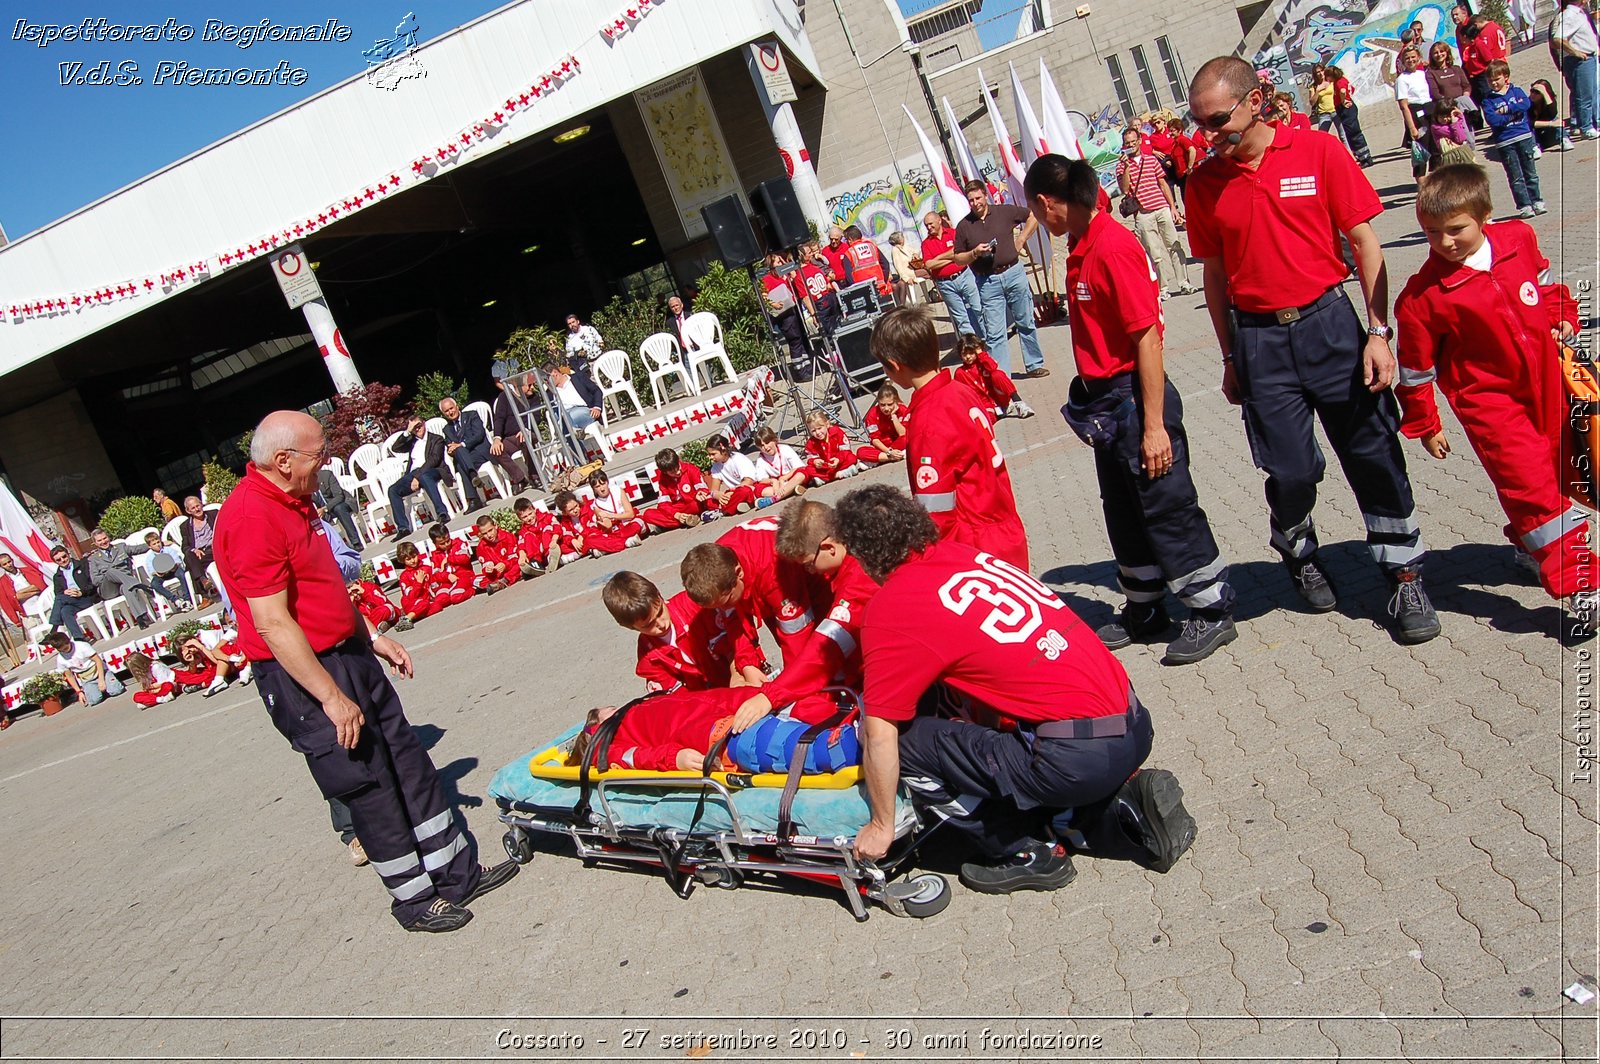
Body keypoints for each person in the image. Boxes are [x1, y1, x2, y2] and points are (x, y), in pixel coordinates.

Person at [214, 410, 518, 932]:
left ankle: (455, 873)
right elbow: (271, 622)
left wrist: (372, 638)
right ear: (283, 461)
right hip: (306, 675)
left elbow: (322, 584)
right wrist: (330, 697)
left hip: (348, 654)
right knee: (370, 786)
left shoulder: (294, 499)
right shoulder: (250, 518)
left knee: (407, 762)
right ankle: (414, 899)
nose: (324, 463)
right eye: (317, 456)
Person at [1183, 55, 1438, 645]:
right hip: (1258, 341)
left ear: (1255, 100)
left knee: (1372, 452)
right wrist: (1227, 357)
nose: (1208, 134)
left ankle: (1403, 572)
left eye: (1218, 119)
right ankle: (1295, 545)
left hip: (1331, 326)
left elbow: (1366, 243)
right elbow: (1215, 276)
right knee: (1292, 469)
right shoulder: (1202, 183)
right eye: (1199, 123)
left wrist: (1379, 332)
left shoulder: (1319, 151)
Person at [836, 484, 1197, 893]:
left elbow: (880, 731)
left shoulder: (894, 605)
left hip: (1076, 757)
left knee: (905, 742)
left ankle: (1022, 851)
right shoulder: (966, 556)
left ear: (863, 555)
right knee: (997, 729)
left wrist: (882, 826)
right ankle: (1118, 808)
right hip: (1132, 722)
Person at [1026, 153, 1239, 665]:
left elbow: (1147, 339)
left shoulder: (1112, 247)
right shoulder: (1082, 243)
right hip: (1106, 402)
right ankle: (1145, 606)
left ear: (1046, 203)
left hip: (1133, 396)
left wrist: (1153, 424)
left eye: (1034, 211)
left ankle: (1211, 609)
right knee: (1123, 508)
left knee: (1165, 504)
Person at [1394, 164, 1594, 629]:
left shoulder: (1517, 240)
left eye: (1455, 229)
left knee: (1551, 475)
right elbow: (1416, 370)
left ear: (1485, 215)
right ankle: (1583, 584)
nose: (1445, 242)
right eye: (1431, 232)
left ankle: (1529, 548)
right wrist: (1426, 423)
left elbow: (1543, 288)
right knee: (1535, 492)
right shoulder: (1422, 297)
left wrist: (1561, 316)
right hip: (1492, 408)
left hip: (1547, 388)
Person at [868, 306, 1030, 571]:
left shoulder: (927, 421)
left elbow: (935, 512)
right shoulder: (960, 390)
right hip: (1003, 524)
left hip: (973, 546)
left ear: (895, 366)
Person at [731, 500, 882, 730]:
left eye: (809, 565)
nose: (809, 572)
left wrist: (769, 697)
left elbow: (825, 647)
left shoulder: (856, 584)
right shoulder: (865, 543)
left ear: (829, 547)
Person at [566, 687, 846, 773]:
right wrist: (674, 758)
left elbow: (709, 698)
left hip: (728, 713)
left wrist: (766, 696)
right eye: (606, 710)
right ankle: (856, 746)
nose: (613, 707)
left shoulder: (645, 705)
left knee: (818, 709)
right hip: (714, 735)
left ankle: (862, 726)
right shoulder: (604, 742)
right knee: (798, 746)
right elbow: (635, 757)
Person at [681, 518, 832, 667]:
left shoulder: (771, 568)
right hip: (775, 590)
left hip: (820, 582)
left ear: (739, 573)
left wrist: (790, 681)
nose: (725, 609)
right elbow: (734, 621)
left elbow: (797, 632)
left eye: (727, 602)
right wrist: (748, 665)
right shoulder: (719, 568)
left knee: (826, 650)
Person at [602, 570, 759, 692]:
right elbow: (675, 696)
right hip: (708, 704)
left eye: (660, 612)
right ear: (630, 627)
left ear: (659, 596)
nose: (661, 624)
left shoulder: (695, 607)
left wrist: (737, 675)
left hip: (742, 675)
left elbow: (736, 639)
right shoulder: (648, 656)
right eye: (649, 625)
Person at [954, 180, 1047, 378]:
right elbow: (957, 257)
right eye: (971, 200)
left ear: (985, 196)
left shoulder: (1005, 211)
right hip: (988, 282)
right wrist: (974, 254)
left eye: (978, 198)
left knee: (1026, 321)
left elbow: (1033, 215)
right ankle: (1002, 376)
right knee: (995, 333)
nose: (975, 203)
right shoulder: (964, 226)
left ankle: (1034, 364)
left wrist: (1021, 240)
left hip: (1014, 273)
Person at [1116, 129, 1194, 299]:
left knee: (1174, 246)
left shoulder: (1151, 160)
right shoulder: (1121, 166)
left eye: (1133, 141)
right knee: (1154, 253)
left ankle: (1184, 282)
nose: (1130, 145)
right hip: (1143, 214)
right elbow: (1124, 189)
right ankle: (1163, 288)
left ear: (1139, 141)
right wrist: (1127, 168)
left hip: (1161, 208)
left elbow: (1163, 183)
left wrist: (1173, 207)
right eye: (1127, 142)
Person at [1483, 60, 1548, 217]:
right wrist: (1512, 115)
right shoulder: (1487, 101)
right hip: (1505, 142)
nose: (1493, 83)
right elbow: (1493, 120)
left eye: (1496, 79)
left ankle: (1537, 201)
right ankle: (1524, 205)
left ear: (1506, 77)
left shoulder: (1517, 91)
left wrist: (1507, 110)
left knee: (1530, 172)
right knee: (1515, 176)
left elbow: (1525, 105)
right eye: (1490, 80)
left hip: (1523, 136)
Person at [385, 416, 455, 540]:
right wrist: (407, 432)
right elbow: (395, 448)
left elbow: (433, 460)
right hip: (413, 474)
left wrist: (417, 477)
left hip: (433, 471)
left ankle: (442, 513)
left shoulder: (436, 439)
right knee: (392, 490)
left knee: (425, 476)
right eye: (415, 428)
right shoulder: (411, 441)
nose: (418, 429)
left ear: (424, 424)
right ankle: (403, 528)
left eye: (419, 426)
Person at [919, 211, 985, 339]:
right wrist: (954, 258)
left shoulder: (953, 234)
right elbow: (929, 265)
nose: (929, 227)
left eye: (931, 224)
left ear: (939, 221)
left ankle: (988, 339)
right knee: (961, 318)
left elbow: (961, 251)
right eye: (926, 225)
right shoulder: (926, 243)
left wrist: (939, 258)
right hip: (945, 283)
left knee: (978, 308)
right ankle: (972, 345)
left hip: (964, 276)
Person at [953, 333, 1035, 420]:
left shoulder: (983, 362)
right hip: (984, 404)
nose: (968, 357)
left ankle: (1019, 403)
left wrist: (981, 354)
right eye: (964, 354)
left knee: (997, 374)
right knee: (987, 418)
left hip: (998, 397)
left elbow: (993, 367)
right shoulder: (960, 373)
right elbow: (961, 394)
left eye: (971, 353)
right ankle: (1001, 412)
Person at [85, 527, 154, 629]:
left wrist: (154, 544)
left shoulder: (121, 547)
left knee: (128, 588)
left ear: (108, 537)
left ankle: (141, 618)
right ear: (95, 543)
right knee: (110, 571)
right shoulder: (93, 559)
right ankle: (139, 585)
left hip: (124, 584)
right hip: (109, 589)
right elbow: (95, 581)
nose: (103, 542)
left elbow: (137, 549)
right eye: (99, 540)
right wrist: (109, 576)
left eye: (105, 538)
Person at [640, 447, 722, 530]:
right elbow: (663, 504)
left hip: (695, 503)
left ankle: (677, 523)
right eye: (672, 472)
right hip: (679, 509)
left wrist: (700, 493)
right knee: (648, 514)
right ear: (665, 472)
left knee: (707, 500)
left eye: (677, 467)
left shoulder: (690, 469)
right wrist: (676, 515)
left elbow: (702, 488)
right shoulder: (663, 481)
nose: (678, 472)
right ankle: (687, 519)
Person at [437, 397, 494, 512]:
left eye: (451, 408)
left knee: (460, 464)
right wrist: (451, 451)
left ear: (457, 407)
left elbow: (479, 434)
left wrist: (462, 444)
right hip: (466, 458)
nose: (450, 412)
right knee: (459, 456)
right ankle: (473, 475)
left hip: (479, 452)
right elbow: (450, 445)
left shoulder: (471, 416)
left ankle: (473, 500)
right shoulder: (446, 429)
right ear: (443, 414)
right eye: (446, 411)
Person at [1553, 0, 1600, 138]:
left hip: (1590, 57)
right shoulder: (1569, 15)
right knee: (1583, 95)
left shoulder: (1580, 13)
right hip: (1580, 60)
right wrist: (1575, 52)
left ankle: (1592, 123)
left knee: (1591, 93)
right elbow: (1557, 39)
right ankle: (1585, 126)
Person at [1455, 1, 1509, 115]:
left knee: (1489, 96)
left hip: (1486, 72)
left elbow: (1488, 58)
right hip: (1476, 75)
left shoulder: (1481, 39)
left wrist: (1490, 72)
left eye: (1457, 14)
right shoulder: (1461, 33)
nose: (1455, 17)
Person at [47, 630, 125, 706]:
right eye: (61, 651)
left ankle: (109, 685)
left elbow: (98, 660)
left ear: (68, 642)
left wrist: (101, 680)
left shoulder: (82, 646)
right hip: (87, 679)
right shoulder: (60, 659)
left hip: (100, 672)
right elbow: (69, 675)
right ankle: (97, 691)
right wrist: (79, 692)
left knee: (116, 691)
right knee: (94, 700)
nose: (65, 651)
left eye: (66, 648)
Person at [705, 435, 780, 510]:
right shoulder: (715, 466)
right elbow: (714, 489)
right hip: (734, 492)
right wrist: (716, 494)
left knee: (744, 492)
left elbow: (748, 481)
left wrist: (732, 492)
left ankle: (725, 509)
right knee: (709, 501)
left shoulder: (738, 459)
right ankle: (742, 504)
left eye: (713, 454)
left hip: (750, 487)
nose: (711, 457)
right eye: (709, 455)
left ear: (723, 449)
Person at [1396, 46, 1436, 184]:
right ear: (1402, 61)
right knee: (1421, 151)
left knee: (1435, 147)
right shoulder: (1401, 79)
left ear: (1418, 57)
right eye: (1407, 58)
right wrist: (1412, 127)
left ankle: (1438, 182)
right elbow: (1403, 106)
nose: (1411, 60)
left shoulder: (1423, 73)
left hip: (1430, 110)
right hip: (1416, 114)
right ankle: (1422, 186)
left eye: (1413, 57)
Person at [44, 544, 98, 642]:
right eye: (58, 560)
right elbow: (58, 593)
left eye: (64, 557)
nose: (63, 560)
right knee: (65, 611)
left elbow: (93, 583)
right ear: (55, 562)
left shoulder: (82, 565)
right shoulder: (57, 576)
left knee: (60, 599)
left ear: (68, 554)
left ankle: (54, 629)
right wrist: (65, 591)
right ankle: (79, 638)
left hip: (87, 597)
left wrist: (81, 592)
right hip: (72, 601)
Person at [802, 409, 868, 485]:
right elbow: (810, 458)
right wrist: (815, 461)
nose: (817, 433)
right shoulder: (811, 442)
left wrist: (838, 459)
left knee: (851, 458)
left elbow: (846, 450)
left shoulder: (836, 432)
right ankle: (841, 474)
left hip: (839, 462)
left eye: (819, 428)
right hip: (825, 467)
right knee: (808, 469)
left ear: (827, 424)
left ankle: (826, 479)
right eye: (813, 431)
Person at [544, 362, 605, 442]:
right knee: (566, 423)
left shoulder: (577, 378)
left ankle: (573, 433)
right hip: (565, 417)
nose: (546, 382)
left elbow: (596, 390)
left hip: (584, 411)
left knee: (567, 422)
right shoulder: (550, 393)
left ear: (555, 373)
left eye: (546, 379)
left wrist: (597, 407)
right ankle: (575, 434)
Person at [1330, 64, 1375, 165]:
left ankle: (1365, 158)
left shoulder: (1339, 82)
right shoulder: (1343, 79)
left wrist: (1343, 101)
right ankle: (1360, 156)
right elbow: (1352, 89)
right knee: (1351, 134)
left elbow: (1342, 90)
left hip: (1346, 109)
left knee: (1353, 133)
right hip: (1348, 108)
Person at [178, 495, 219, 606]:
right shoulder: (185, 526)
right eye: (193, 508)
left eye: (198, 505)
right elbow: (184, 546)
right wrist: (194, 550)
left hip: (216, 548)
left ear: (202, 504)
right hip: (201, 554)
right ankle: (204, 580)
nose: (197, 509)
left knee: (192, 564)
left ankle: (205, 595)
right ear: (188, 511)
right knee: (189, 555)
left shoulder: (214, 514)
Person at [423, 524, 477, 604]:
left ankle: (474, 589)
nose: (446, 545)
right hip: (447, 581)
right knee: (440, 600)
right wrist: (447, 576)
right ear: (435, 543)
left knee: (456, 597)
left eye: (448, 541)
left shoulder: (458, 544)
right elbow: (436, 574)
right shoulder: (435, 555)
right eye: (442, 543)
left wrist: (449, 559)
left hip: (464, 576)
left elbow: (465, 558)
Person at [751, 426, 810, 499]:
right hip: (777, 485)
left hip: (790, 477)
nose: (766, 447)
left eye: (767, 443)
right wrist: (773, 481)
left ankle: (776, 498)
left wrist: (783, 478)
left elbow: (798, 466)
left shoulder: (785, 449)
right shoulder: (761, 460)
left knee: (802, 474)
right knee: (758, 489)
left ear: (774, 440)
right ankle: (791, 490)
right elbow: (762, 479)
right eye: (762, 446)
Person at [315, 464, 364, 548]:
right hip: (324, 510)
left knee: (339, 508)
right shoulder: (305, 483)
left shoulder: (326, 475)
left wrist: (325, 508)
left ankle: (356, 542)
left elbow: (339, 496)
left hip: (342, 503)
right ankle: (329, 547)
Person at [396, 541, 445, 622]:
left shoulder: (427, 568)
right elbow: (410, 596)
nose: (412, 561)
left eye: (414, 557)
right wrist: (418, 582)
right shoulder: (404, 576)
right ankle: (407, 618)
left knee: (438, 606)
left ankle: (417, 615)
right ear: (403, 561)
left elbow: (435, 585)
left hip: (427, 601)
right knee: (423, 603)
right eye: (408, 559)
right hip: (413, 603)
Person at [512, 496, 560, 576]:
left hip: (552, 545)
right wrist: (522, 555)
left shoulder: (546, 517)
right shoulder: (524, 530)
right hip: (539, 555)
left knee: (546, 529)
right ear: (520, 519)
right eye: (525, 517)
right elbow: (521, 544)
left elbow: (557, 527)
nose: (529, 518)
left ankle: (552, 557)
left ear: (534, 509)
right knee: (528, 536)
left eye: (530, 514)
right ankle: (536, 564)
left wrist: (554, 540)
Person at [472, 515, 521, 591]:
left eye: (490, 530)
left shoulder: (507, 537)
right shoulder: (481, 547)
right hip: (496, 574)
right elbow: (485, 564)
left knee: (519, 564)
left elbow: (515, 558)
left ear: (496, 526)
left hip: (511, 567)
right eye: (484, 533)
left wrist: (505, 564)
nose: (489, 535)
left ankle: (504, 581)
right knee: (474, 579)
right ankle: (498, 583)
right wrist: (488, 569)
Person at [863, 383, 910, 463]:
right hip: (882, 447)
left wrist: (893, 416)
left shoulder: (902, 410)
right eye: (882, 405)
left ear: (896, 401)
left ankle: (879, 459)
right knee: (861, 452)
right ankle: (893, 457)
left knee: (908, 438)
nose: (886, 408)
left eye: (890, 404)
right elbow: (875, 439)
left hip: (898, 443)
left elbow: (903, 433)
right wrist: (889, 452)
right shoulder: (872, 414)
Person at [1529, 78, 1576, 150]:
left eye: (1537, 92)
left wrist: (1544, 93)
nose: (1533, 94)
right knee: (1528, 128)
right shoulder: (1527, 104)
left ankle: (1564, 140)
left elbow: (1553, 114)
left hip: (1549, 135)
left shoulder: (1549, 101)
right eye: (1532, 91)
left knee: (1555, 118)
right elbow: (1529, 123)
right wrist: (1551, 123)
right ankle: (1534, 148)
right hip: (1535, 137)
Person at [1429, 99, 1476, 167]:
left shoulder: (1457, 122)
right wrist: (1455, 123)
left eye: (1448, 116)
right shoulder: (1436, 128)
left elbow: (1462, 138)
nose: (1445, 119)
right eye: (1442, 116)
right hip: (1450, 157)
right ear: (1436, 116)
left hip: (1464, 153)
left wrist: (1460, 116)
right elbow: (1459, 138)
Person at [887, 231, 923, 306]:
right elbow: (898, 266)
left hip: (913, 269)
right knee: (928, 273)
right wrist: (906, 278)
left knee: (929, 271)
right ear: (899, 239)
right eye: (902, 237)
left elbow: (914, 251)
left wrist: (915, 254)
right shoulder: (895, 250)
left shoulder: (905, 247)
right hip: (908, 272)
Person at [1308, 65, 1338, 132]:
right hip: (1324, 114)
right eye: (1318, 72)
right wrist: (1318, 91)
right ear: (1315, 74)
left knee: (1343, 135)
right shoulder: (1314, 87)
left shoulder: (1331, 81)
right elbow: (1312, 103)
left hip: (1336, 111)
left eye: (1322, 70)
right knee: (1322, 135)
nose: (1321, 73)